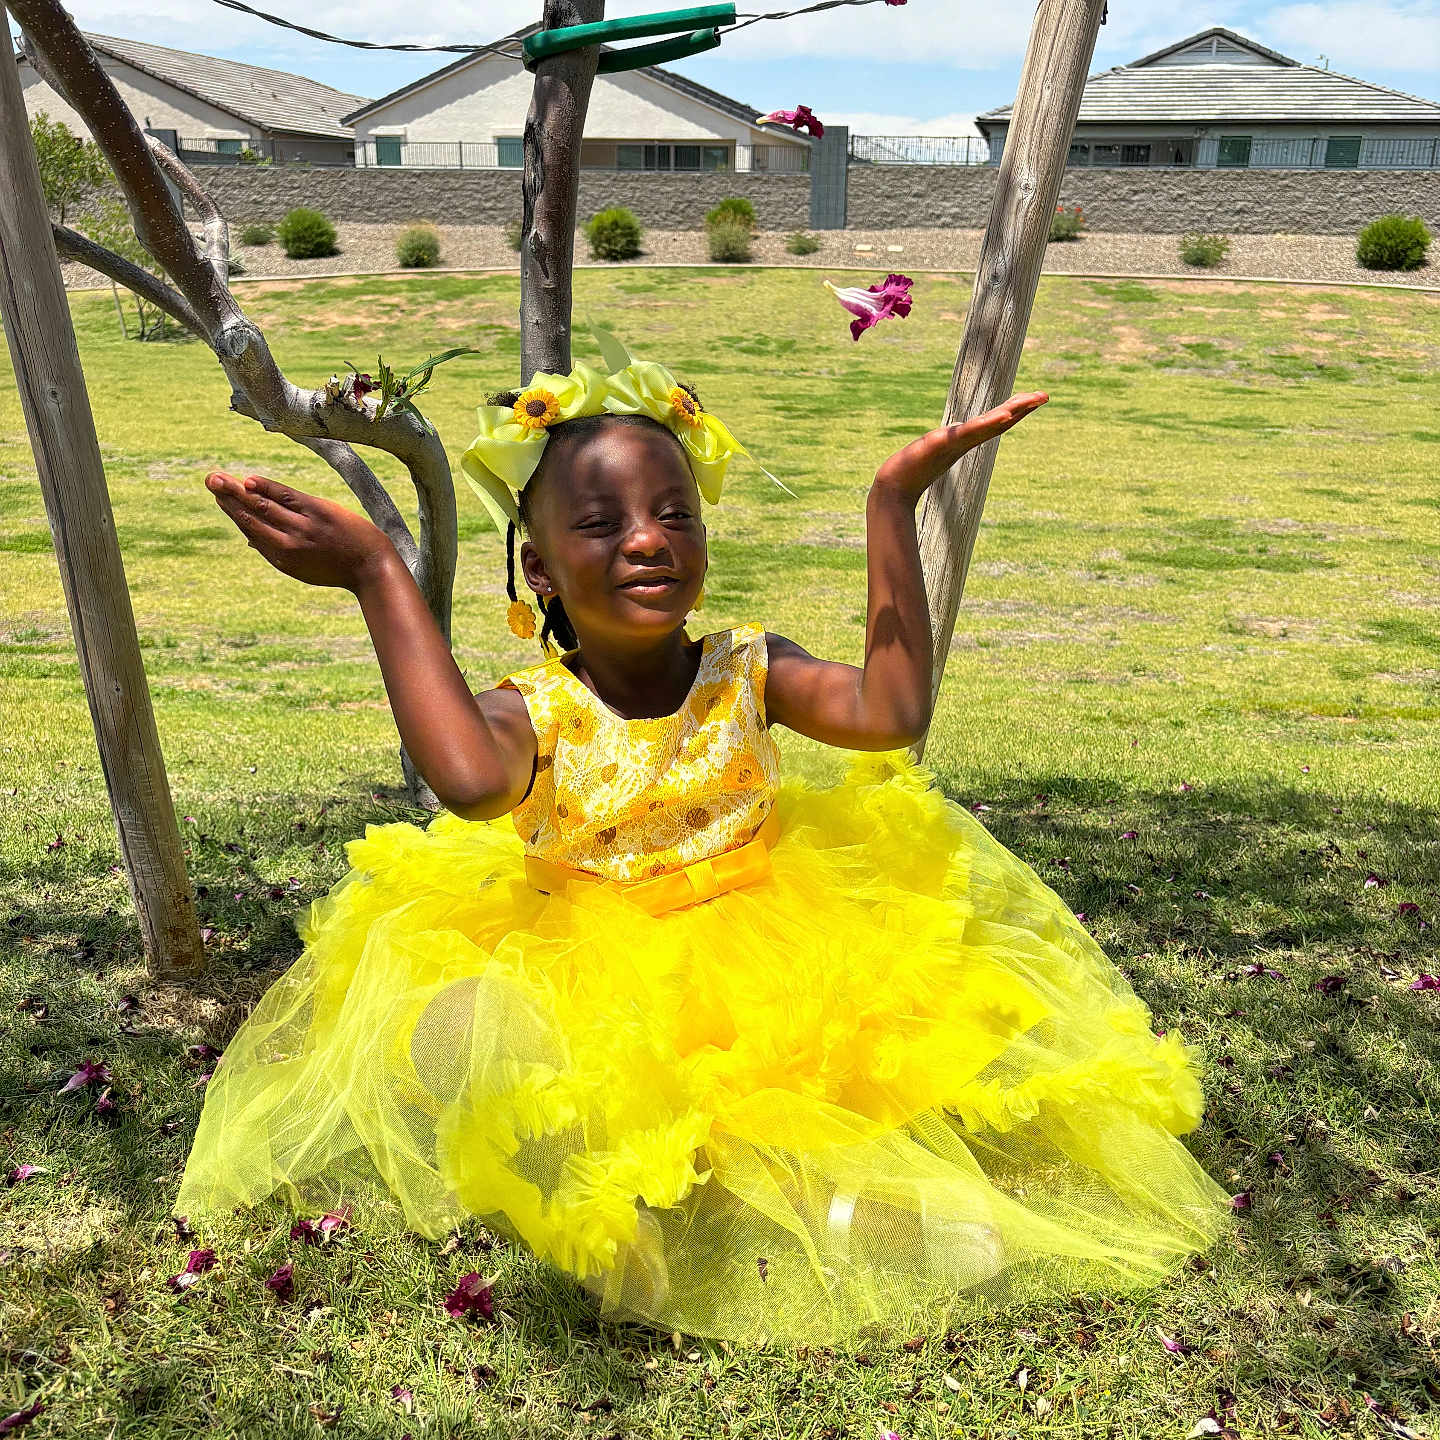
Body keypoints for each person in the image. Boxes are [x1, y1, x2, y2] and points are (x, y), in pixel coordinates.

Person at [180, 337, 1230, 1346]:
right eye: (601, 523)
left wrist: (891, 503)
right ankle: (620, 1210)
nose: (648, 537)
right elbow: (464, 784)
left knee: (817, 1072)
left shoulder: (748, 666)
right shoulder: (531, 710)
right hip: (592, 956)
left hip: (767, 937)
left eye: (675, 512)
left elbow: (889, 711)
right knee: (469, 1028)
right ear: (539, 571)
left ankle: (833, 1204)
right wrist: (377, 574)